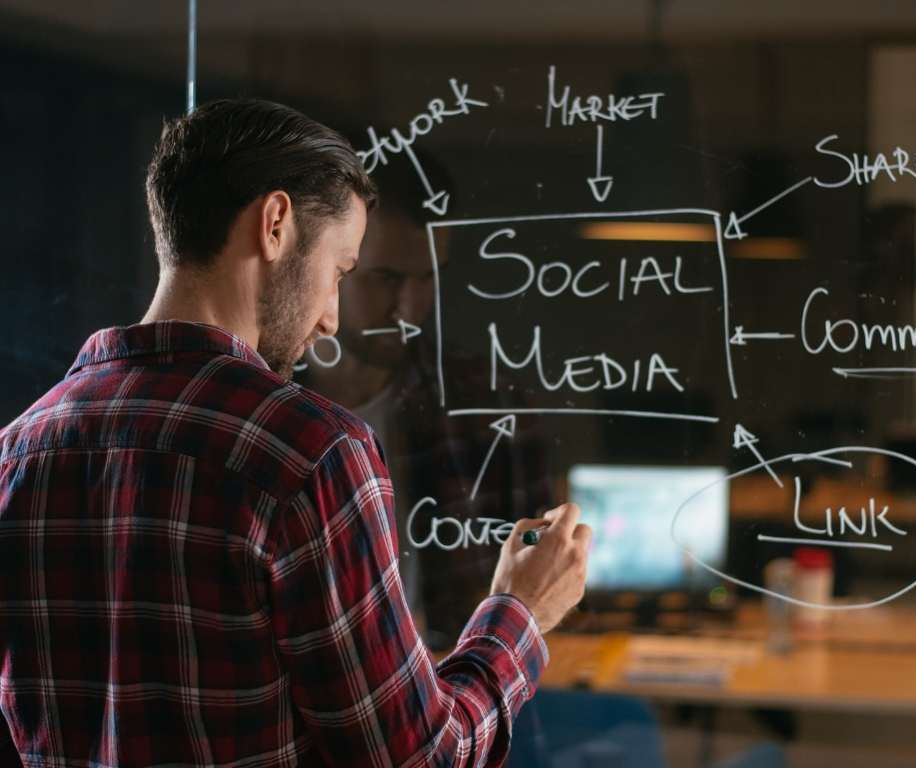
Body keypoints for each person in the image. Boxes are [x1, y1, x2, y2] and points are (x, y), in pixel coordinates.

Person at [0, 98, 591, 767]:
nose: (331, 318)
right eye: (340, 270)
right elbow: (421, 759)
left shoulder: (19, 450)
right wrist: (520, 610)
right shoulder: (311, 452)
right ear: (275, 224)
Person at [300, 157, 553, 648]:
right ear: (329, 265)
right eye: (386, 278)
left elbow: (535, 576)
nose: (410, 308)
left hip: (459, 683)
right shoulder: (264, 407)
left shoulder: (491, 402)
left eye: (428, 277)